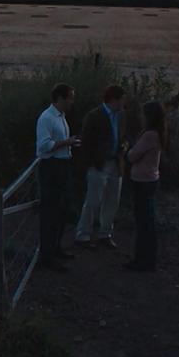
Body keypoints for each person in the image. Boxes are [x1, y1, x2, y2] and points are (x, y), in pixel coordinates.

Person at [74, 85, 128, 250]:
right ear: (113, 99)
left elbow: (124, 136)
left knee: (112, 201)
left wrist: (124, 145)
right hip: (99, 164)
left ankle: (105, 233)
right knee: (93, 200)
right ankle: (83, 235)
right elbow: (86, 141)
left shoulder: (121, 116)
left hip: (115, 163)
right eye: (122, 99)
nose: (123, 103)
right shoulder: (94, 116)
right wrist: (92, 161)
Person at [35, 82, 80, 272]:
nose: (72, 102)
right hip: (52, 168)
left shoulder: (61, 117)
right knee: (51, 212)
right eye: (70, 98)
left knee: (62, 210)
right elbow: (44, 146)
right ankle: (47, 255)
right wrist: (66, 142)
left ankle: (56, 247)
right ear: (60, 98)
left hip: (63, 165)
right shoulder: (47, 118)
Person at [123, 101, 166, 272]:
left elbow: (133, 156)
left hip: (143, 181)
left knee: (143, 222)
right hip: (150, 179)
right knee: (147, 221)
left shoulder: (149, 135)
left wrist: (127, 150)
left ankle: (143, 260)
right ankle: (147, 259)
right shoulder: (158, 133)